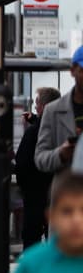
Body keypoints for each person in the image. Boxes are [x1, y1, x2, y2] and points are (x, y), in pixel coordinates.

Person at [16, 87, 61, 249]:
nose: (35, 107)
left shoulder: (33, 133)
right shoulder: (65, 128)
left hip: (35, 195)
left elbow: (22, 164)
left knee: (31, 239)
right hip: (58, 193)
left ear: (45, 106)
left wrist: (24, 187)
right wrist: (35, 119)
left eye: (37, 104)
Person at [34, 44, 83, 176]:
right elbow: (40, 159)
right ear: (72, 71)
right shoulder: (53, 111)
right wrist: (61, 154)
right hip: (67, 192)